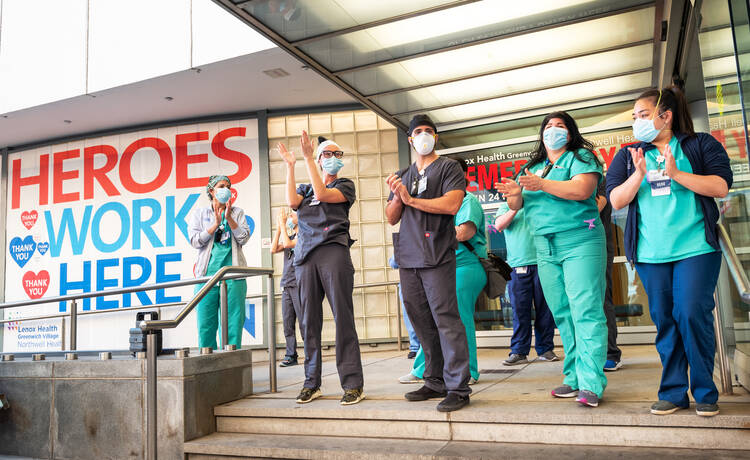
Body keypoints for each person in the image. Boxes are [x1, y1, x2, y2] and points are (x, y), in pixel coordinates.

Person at [607, 87, 732, 417]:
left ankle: (705, 391)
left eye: (643, 114)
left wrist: (677, 174)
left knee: (691, 313)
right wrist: (638, 174)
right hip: (650, 254)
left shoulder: (700, 144)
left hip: (696, 248)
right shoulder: (628, 154)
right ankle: (674, 392)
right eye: (634, 117)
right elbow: (617, 200)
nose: (637, 122)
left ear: (666, 116)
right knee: (665, 321)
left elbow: (720, 187)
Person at [495, 111, 608, 408]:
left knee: (586, 310)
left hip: (580, 240)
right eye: (549, 126)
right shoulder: (534, 167)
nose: (553, 131)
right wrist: (514, 193)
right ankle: (573, 377)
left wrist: (541, 185)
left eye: (560, 126)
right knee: (563, 313)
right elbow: (518, 204)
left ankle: (592, 382)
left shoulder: (580, 157)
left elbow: (583, 189)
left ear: (569, 134)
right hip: (544, 247)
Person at [385, 114, 472, 412]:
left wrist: (411, 200)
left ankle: (458, 386)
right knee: (420, 319)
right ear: (410, 139)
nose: (423, 135)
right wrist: (399, 197)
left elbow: (451, 204)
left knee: (446, 318)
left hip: (436, 252)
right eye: (418, 132)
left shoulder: (447, 167)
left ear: (435, 136)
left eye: (429, 131)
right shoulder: (402, 174)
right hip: (408, 256)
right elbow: (391, 217)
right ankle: (434, 380)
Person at [278, 131, 365, 405]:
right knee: (309, 323)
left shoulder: (345, 185)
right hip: (304, 258)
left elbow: (322, 193)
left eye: (338, 154)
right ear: (318, 158)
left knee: (343, 318)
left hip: (333, 252)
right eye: (327, 154)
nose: (334, 158)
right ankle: (311, 383)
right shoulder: (304, 189)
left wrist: (307, 158)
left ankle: (352, 384)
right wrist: (292, 165)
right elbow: (293, 202)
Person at [398, 158, 487, 387]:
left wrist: (434, 237)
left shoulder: (467, 200)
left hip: (463, 267)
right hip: (434, 266)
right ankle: (425, 369)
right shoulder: (430, 201)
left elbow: (465, 232)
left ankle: (469, 371)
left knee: (455, 319)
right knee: (428, 320)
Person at [494, 192, 557, 366]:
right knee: (520, 310)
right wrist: (515, 208)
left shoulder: (538, 204)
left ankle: (545, 348)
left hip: (543, 262)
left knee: (545, 309)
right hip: (518, 265)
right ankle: (519, 351)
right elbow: (499, 225)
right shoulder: (505, 207)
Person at [188, 175, 252, 350]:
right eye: (221, 186)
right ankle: (208, 364)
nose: (226, 189)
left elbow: (244, 238)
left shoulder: (237, 212)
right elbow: (194, 241)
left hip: (233, 277)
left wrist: (229, 217)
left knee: (233, 324)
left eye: (228, 186)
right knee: (205, 324)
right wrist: (214, 225)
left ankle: (231, 365)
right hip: (206, 277)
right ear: (211, 191)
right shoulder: (200, 214)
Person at [596, 178, 623, 371]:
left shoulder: (598, 179)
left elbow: (596, 206)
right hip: (569, 247)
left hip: (597, 245)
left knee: (602, 299)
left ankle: (610, 353)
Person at [270, 208, 303, 367]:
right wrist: (278, 228)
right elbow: (273, 248)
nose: (289, 216)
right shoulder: (288, 235)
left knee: (304, 322)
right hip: (287, 285)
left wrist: (283, 225)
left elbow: (290, 244)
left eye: (292, 214)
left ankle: (311, 353)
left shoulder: (305, 235)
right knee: (287, 323)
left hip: (300, 284)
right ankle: (291, 355)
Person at [389, 255, 421, 359]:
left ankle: (417, 348)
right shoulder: (403, 242)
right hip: (408, 281)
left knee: (413, 315)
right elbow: (393, 263)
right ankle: (415, 347)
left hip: (424, 278)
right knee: (410, 315)